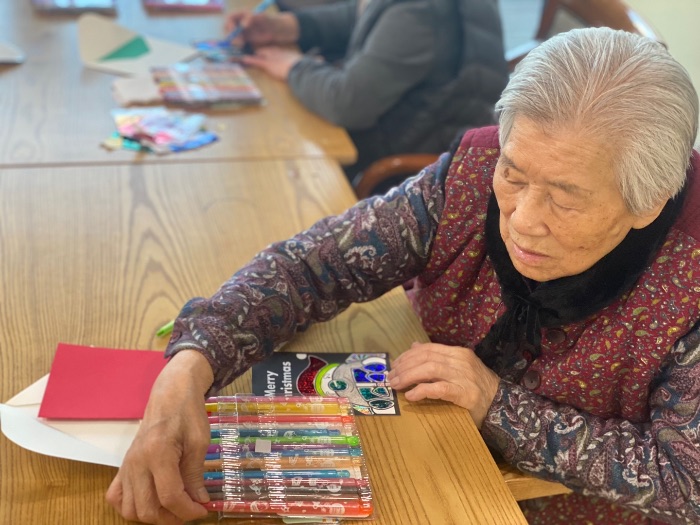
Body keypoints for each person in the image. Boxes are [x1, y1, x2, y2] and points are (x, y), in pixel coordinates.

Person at [106, 27, 700, 525]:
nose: (522, 219)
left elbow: (686, 480)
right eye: (514, 175)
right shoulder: (470, 175)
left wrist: (497, 404)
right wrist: (190, 365)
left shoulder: (690, 280)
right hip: (425, 444)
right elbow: (314, 265)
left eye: (565, 198)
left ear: (648, 202)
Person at [226, 0, 509, 182]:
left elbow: (346, 104)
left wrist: (294, 67)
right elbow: (367, 14)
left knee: (274, 164)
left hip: (418, 166)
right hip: (425, 126)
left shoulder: (419, 12)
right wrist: (288, 26)